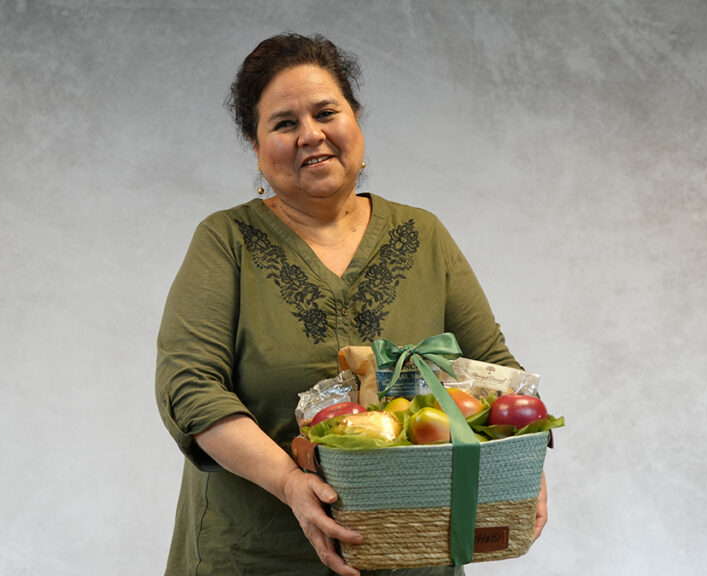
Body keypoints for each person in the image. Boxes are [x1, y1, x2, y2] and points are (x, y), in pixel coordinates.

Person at [155, 32, 547, 576]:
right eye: (284, 123)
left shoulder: (422, 234)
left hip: (412, 552)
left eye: (325, 112)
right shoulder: (228, 241)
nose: (310, 135)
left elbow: (494, 372)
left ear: (355, 119)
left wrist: (518, 468)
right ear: (256, 145)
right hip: (257, 554)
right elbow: (189, 389)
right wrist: (292, 482)